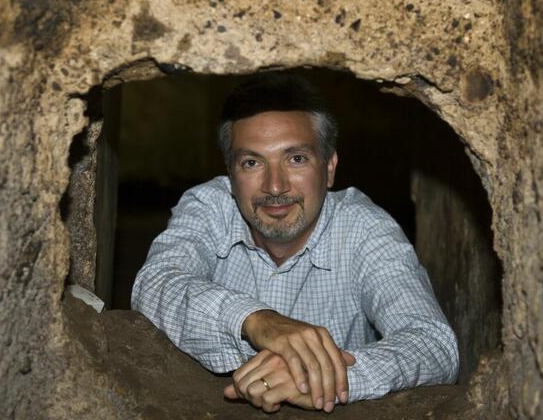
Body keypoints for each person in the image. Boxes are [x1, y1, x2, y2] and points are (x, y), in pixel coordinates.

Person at [131, 75, 458, 413]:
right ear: (230, 176)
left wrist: (320, 374)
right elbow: (155, 284)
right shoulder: (208, 207)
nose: (275, 186)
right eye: (252, 163)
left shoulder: (363, 228)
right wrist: (257, 321)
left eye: (296, 159)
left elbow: (433, 345)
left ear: (329, 169)